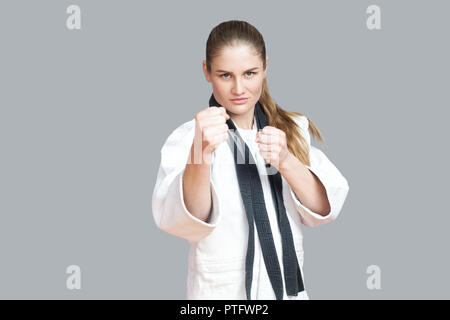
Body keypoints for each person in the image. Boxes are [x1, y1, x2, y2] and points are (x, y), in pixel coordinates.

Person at [152, 20, 349, 300]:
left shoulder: (290, 129)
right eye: (225, 75)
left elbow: (323, 209)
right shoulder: (189, 138)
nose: (238, 88)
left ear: (265, 67)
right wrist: (201, 153)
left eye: (249, 73)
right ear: (206, 71)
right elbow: (189, 222)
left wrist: (286, 160)